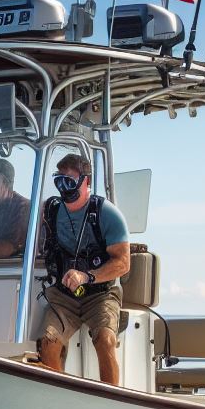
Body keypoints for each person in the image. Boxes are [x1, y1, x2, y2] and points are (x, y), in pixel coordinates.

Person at [38, 154, 131, 386]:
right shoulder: (50, 211)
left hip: (101, 294)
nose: (63, 187)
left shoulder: (107, 213)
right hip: (63, 295)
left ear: (86, 181)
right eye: (59, 180)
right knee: (48, 342)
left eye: (69, 180)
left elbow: (123, 263)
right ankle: (60, 399)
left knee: (105, 339)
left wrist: (87, 276)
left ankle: (110, 400)